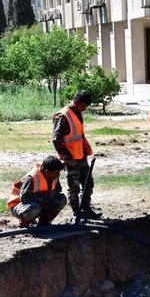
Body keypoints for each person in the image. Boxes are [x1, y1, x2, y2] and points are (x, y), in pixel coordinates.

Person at [52, 90, 102, 219]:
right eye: (83, 106)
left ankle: (86, 208)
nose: (84, 109)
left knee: (88, 184)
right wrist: (67, 158)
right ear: (75, 102)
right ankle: (76, 212)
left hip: (81, 156)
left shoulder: (77, 113)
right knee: (73, 187)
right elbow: (56, 139)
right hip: (71, 160)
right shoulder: (63, 116)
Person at [7, 156, 67, 228]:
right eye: (56, 172)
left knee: (61, 199)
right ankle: (23, 224)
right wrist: (46, 196)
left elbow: (58, 189)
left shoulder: (54, 176)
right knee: (34, 208)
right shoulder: (31, 178)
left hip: (39, 204)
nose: (58, 174)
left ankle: (44, 222)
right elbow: (24, 198)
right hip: (19, 206)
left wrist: (49, 196)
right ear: (47, 172)